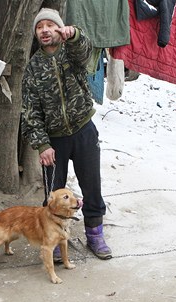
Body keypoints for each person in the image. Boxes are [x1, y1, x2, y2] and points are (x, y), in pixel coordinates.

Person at [21, 8, 111, 261]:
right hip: (54, 141)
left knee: (91, 185)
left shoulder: (72, 54)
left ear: (59, 29)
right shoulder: (33, 68)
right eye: (40, 27)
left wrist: (74, 35)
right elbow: (30, 111)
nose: (45, 30)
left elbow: (85, 49)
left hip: (84, 130)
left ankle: (95, 235)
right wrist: (42, 145)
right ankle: (56, 240)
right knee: (54, 194)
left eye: (50, 25)